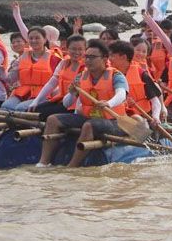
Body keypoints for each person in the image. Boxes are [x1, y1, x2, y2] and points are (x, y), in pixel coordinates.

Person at [36, 39, 135, 168]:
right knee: (52, 119)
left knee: (89, 125)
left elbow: (121, 94)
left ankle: (72, 166)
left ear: (105, 59)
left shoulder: (116, 76)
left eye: (92, 57)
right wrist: (71, 93)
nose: (88, 60)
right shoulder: (81, 76)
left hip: (113, 120)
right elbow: (66, 104)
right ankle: (43, 162)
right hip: (89, 117)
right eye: (86, 57)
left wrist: (109, 103)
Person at [0, 26, 61, 111]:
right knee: (6, 106)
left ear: (45, 40)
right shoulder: (22, 57)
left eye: (37, 38)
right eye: (31, 38)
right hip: (23, 93)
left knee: (20, 108)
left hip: (44, 95)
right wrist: (2, 72)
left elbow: (60, 81)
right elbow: (10, 79)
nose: (33, 41)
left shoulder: (55, 58)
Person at [28, 34, 88, 119]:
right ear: (67, 49)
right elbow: (52, 83)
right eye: (73, 49)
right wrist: (36, 101)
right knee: (31, 110)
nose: (77, 52)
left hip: (74, 106)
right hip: (62, 100)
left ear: (85, 50)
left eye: (80, 49)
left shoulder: (87, 67)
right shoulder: (64, 63)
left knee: (42, 115)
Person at [108, 40, 162, 121]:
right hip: (116, 116)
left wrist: (156, 117)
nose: (109, 59)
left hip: (141, 116)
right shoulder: (107, 73)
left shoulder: (141, 74)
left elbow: (155, 101)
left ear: (124, 57)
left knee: (136, 118)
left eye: (112, 56)